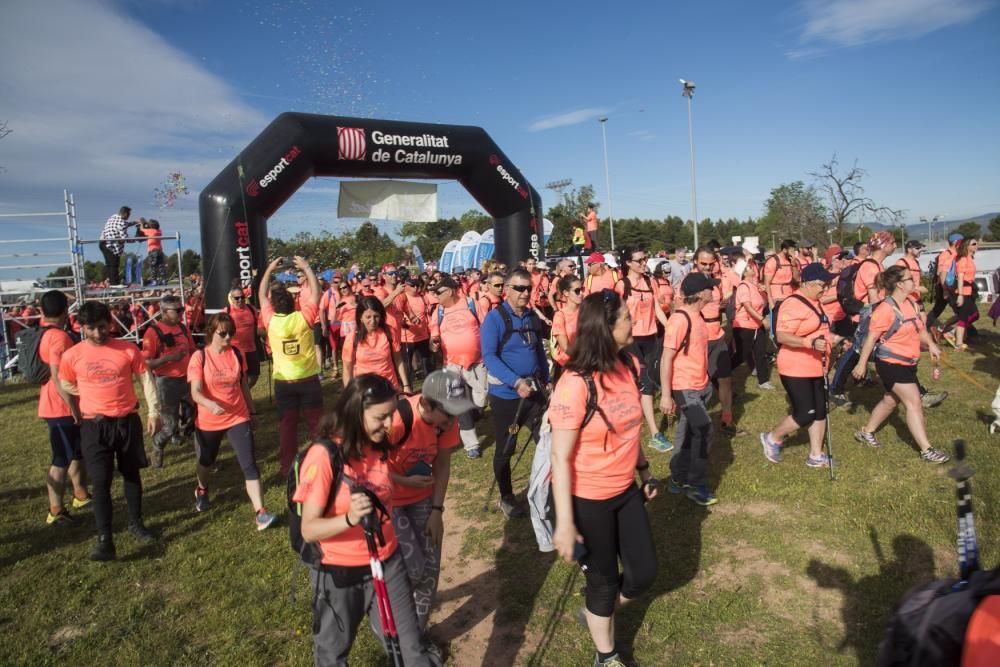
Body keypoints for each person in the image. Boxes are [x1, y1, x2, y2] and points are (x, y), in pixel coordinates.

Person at [293, 374, 438, 666]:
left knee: (411, 651)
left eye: (391, 416)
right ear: (356, 412)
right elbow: (309, 529)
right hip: (339, 572)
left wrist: (409, 484)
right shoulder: (323, 456)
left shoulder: (378, 446)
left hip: (388, 562)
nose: (389, 425)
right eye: (381, 417)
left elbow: (382, 485)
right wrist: (348, 518)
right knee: (332, 655)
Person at [550, 290, 658, 667]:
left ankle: (599, 613)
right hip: (586, 498)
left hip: (625, 490)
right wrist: (564, 523)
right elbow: (560, 458)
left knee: (643, 573)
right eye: (627, 317)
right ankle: (606, 655)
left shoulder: (630, 364)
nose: (635, 321)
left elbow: (630, 429)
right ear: (606, 328)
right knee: (603, 580)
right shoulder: (575, 383)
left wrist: (644, 470)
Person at [59, 301, 161, 560]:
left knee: (131, 475)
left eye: (102, 327)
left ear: (110, 323)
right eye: (91, 328)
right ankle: (105, 539)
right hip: (95, 426)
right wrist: (87, 391)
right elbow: (64, 381)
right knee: (101, 482)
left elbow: (146, 379)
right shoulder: (73, 355)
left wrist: (154, 411)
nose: (97, 333)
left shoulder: (127, 349)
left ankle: (135, 523)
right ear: (81, 327)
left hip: (126, 422)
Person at [388, 370, 470, 636]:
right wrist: (404, 481)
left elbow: (442, 463)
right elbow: (366, 467)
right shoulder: (398, 419)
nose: (453, 419)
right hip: (390, 501)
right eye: (448, 412)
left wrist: (437, 511)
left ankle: (416, 637)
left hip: (423, 499)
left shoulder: (446, 422)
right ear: (425, 403)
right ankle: (392, 625)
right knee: (412, 568)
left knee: (430, 570)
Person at [850, 266, 950, 464]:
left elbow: (919, 328)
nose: (914, 281)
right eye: (910, 278)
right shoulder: (885, 309)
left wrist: (930, 345)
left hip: (908, 362)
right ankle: (926, 449)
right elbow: (871, 339)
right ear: (900, 284)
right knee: (914, 402)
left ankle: (866, 432)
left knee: (891, 400)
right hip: (890, 363)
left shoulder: (911, 304)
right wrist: (861, 365)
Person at [188, 313, 278, 528]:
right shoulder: (199, 357)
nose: (228, 337)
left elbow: (243, 385)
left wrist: (253, 412)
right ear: (211, 333)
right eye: (223, 333)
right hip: (210, 419)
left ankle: (261, 513)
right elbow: (195, 392)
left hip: (238, 416)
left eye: (231, 332)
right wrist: (210, 404)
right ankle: (201, 488)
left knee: (249, 464)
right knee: (206, 461)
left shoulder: (236, 353)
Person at [481, 268, 550, 519]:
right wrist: (515, 381)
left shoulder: (532, 316)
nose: (524, 293)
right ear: (507, 289)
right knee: (506, 448)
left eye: (528, 288)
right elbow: (489, 356)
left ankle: (550, 489)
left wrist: (546, 378)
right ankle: (507, 496)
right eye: (519, 288)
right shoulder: (494, 318)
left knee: (548, 441)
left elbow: (538, 350)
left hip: (534, 394)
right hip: (506, 396)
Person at [759, 263, 836, 469]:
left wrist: (835, 339)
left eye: (827, 284)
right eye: (822, 284)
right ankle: (772, 438)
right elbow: (782, 336)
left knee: (820, 410)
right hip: (795, 367)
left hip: (816, 365)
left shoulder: (814, 300)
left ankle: (816, 455)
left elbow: (818, 328)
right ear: (806, 283)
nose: (825, 289)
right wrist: (808, 343)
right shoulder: (793, 303)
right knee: (806, 412)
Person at [259, 256, 323, 477]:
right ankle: (322, 462)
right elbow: (316, 293)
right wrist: (306, 266)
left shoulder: (270, 321)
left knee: (288, 426)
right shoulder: (304, 317)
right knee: (316, 424)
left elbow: (260, 295)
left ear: (274, 304)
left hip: (284, 382)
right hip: (308, 380)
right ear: (293, 301)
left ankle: (287, 468)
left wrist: (268, 270)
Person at [660, 273, 718, 505]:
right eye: (710, 288)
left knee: (686, 434)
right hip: (684, 387)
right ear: (701, 294)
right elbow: (666, 358)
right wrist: (665, 395)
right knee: (704, 431)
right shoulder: (680, 320)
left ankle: (677, 477)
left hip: (700, 385)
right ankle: (695, 483)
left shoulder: (698, 315)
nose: (714, 291)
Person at [36, 290, 91, 524]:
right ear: (65, 311)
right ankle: (56, 510)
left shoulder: (45, 331)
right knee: (61, 458)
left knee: (76, 452)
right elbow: (59, 377)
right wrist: (74, 408)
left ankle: (81, 494)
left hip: (61, 405)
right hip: (60, 407)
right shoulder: (59, 338)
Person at [829, 231, 896, 407]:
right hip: (866, 317)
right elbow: (873, 299)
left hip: (872, 316)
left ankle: (846, 384)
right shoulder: (871, 267)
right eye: (893, 242)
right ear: (883, 245)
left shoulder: (878, 266)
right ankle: (835, 389)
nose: (895, 246)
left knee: (858, 353)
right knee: (855, 353)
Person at [615, 247, 673, 452]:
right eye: (639, 260)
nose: (643, 263)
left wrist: (669, 327)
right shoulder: (622, 285)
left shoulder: (650, 282)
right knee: (645, 383)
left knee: (651, 377)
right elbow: (615, 312)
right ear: (628, 263)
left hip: (650, 336)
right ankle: (655, 433)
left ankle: (629, 416)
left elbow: (657, 308)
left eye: (645, 259)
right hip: (630, 338)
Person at [429, 276, 488, 459]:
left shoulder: (472, 304)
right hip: (452, 364)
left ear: (451, 291)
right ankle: (472, 444)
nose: (435, 296)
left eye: (439, 292)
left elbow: (486, 327)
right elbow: (433, 335)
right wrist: (434, 343)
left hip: (477, 362)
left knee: (482, 397)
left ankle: (474, 413)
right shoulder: (438, 311)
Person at [693, 247, 744, 435]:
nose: (707, 267)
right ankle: (695, 423)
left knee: (725, 379)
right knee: (698, 384)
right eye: (703, 263)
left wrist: (721, 306)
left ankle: (727, 421)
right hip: (698, 338)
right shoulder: (689, 281)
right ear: (695, 262)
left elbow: (717, 304)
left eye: (710, 263)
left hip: (717, 335)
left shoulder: (715, 282)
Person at [142, 294, 195, 468]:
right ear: (164, 312)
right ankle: (158, 444)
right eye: (177, 310)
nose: (181, 313)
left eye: (181, 309)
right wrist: (168, 358)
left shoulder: (183, 328)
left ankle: (203, 456)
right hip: (166, 382)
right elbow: (146, 363)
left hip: (187, 379)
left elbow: (193, 351)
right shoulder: (153, 332)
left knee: (194, 419)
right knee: (169, 425)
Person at [342, 296, 411, 391]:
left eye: (376, 316)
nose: (373, 321)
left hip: (389, 388)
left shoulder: (389, 332)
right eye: (368, 317)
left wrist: (406, 385)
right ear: (360, 317)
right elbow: (347, 369)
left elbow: (398, 359)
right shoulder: (352, 338)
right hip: (364, 391)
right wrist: (349, 394)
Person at [730, 259, 772, 390]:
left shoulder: (754, 285)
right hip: (744, 326)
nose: (752, 268)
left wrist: (764, 291)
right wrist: (762, 319)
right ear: (744, 273)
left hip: (756, 325)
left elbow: (763, 304)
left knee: (761, 353)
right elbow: (748, 307)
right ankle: (722, 374)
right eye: (749, 267)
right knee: (741, 355)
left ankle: (763, 381)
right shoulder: (743, 286)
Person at [942, 237, 979, 351]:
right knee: (963, 318)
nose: (976, 245)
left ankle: (952, 332)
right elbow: (961, 278)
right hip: (963, 292)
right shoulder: (962, 259)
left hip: (969, 291)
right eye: (973, 244)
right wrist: (961, 295)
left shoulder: (969, 258)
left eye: (976, 243)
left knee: (974, 315)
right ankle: (958, 344)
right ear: (966, 246)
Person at [225, 283, 264, 388]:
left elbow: (259, 323)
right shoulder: (227, 311)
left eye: (242, 297)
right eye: (237, 298)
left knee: (255, 376)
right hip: (235, 351)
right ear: (232, 299)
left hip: (251, 349)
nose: (240, 300)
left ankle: (244, 393)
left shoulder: (251, 309)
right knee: (241, 378)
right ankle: (243, 399)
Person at [926, 233, 963, 332]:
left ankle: (924, 327)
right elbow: (940, 272)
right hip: (945, 286)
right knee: (961, 311)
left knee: (938, 309)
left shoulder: (957, 254)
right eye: (961, 241)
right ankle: (926, 328)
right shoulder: (946, 254)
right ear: (955, 242)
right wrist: (945, 289)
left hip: (950, 286)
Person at [398, 277, 432, 380]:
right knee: (407, 366)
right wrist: (402, 323)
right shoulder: (402, 298)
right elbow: (397, 315)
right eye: (413, 285)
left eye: (417, 285)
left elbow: (427, 315)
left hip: (423, 336)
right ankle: (408, 389)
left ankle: (430, 387)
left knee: (427, 364)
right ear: (406, 286)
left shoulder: (423, 297)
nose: (416, 287)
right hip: (407, 338)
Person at [551, 274, 583, 381]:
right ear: (566, 293)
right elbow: (565, 346)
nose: (581, 293)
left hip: (588, 364)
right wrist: (583, 359)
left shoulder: (586, 311)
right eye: (577, 291)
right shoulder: (560, 316)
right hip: (568, 366)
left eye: (582, 289)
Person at [762, 239, 800, 329]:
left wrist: (794, 265)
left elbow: (797, 279)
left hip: (789, 295)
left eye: (794, 250)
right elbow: (767, 282)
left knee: (789, 321)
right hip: (777, 296)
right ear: (784, 250)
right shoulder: (773, 261)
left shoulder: (792, 261)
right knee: (777, 322)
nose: (793, 253)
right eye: (791, 250)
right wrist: (770, 300)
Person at [99, 206, 133, 285]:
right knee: (114, 264)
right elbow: (124, 238)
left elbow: (126, 224)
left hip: (102, 242)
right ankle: (115, 284)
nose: (129, 216)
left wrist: (134, 222)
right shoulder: (122, 223)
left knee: (109, 264)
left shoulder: (113, 216)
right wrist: (136, 240)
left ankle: (111, 281)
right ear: (125, 214)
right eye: (128, 215)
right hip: (111, 245)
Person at [137, 218, 167, 285]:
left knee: (153, 266)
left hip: (152, 251)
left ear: (150, 226)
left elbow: (142, 229)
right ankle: (164, 279)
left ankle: (154, 280)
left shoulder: (150, 231)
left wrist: (142, 223)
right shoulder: (159, 231)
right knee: (161, 266)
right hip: (160, 251)